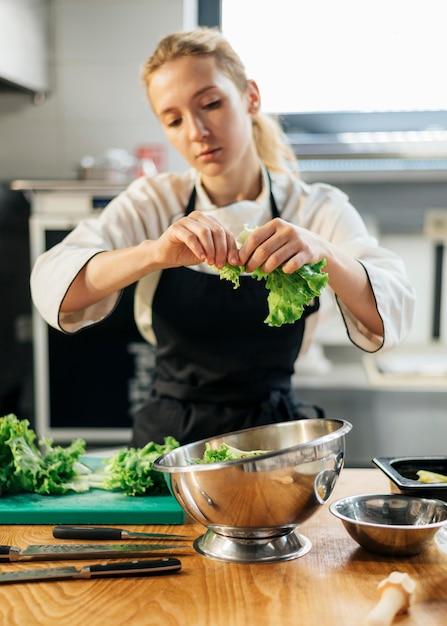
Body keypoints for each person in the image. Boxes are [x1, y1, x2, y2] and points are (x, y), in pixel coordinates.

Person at [30, 27, 415, 447]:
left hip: (275, 443)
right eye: (174, 120)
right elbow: (57, 285)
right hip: (171, 447)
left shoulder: (315, 208)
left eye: (210, 103)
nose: (195, 131)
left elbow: (391, 311)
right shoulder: (154, 202)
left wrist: (323, 252)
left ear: (251, 96)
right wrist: (154, 254)